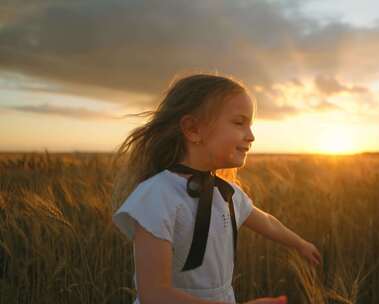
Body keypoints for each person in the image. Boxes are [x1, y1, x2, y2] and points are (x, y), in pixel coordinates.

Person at [111, 73, 322, 304]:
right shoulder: (157, 197)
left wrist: (299, 244)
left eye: (250, 125)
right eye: (239, 123)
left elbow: (267, 221)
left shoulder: (226, 194)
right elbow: (155, 295)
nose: (251, 136)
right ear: (193, 130)